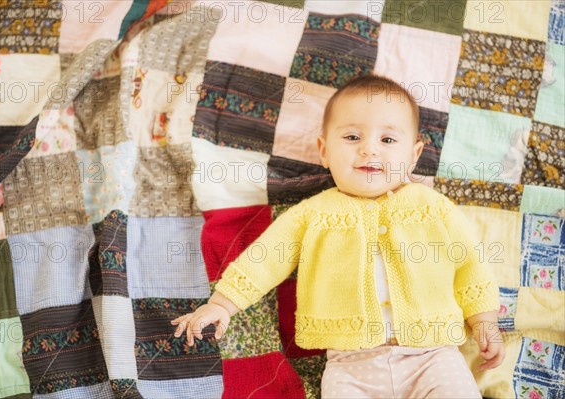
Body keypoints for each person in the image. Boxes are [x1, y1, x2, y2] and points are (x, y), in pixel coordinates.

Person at [172, 75, 505, 398]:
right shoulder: (313, 214)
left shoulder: (434, 208)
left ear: (414, 154)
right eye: (351, 138)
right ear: (324, 150)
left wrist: (484, 321)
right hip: (350, 365)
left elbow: (470, 265)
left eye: (387, 140)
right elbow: (265, 258)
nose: (369, 151)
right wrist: (222, 304)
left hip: (432, 357)